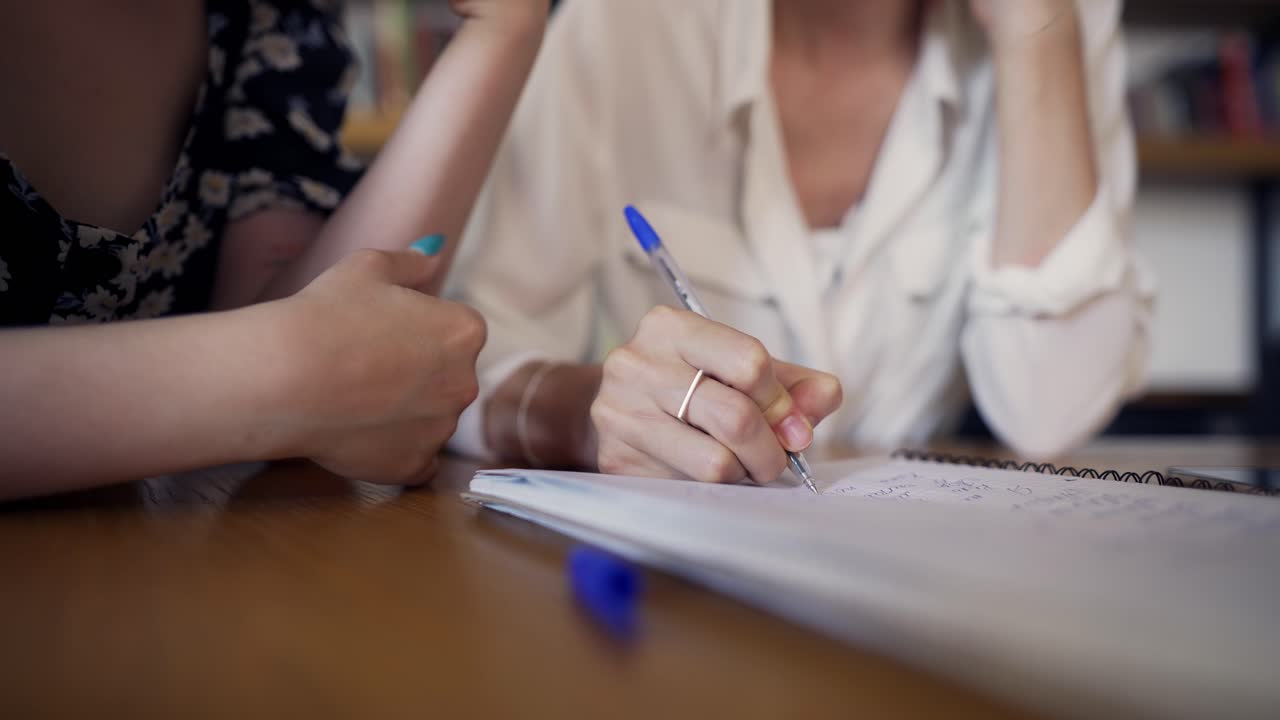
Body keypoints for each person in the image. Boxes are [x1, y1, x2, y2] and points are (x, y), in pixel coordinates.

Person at [449, 0, 1153, 484]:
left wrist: (1035, 31)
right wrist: (596, 416)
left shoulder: (1058, 20)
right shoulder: (623, 27)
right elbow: (469, 358)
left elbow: (1049, 412)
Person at [0, 0, 549, 499]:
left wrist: (503, 28)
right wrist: (293, 371)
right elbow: (318, 381)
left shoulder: (272, 24)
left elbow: (348, 358)